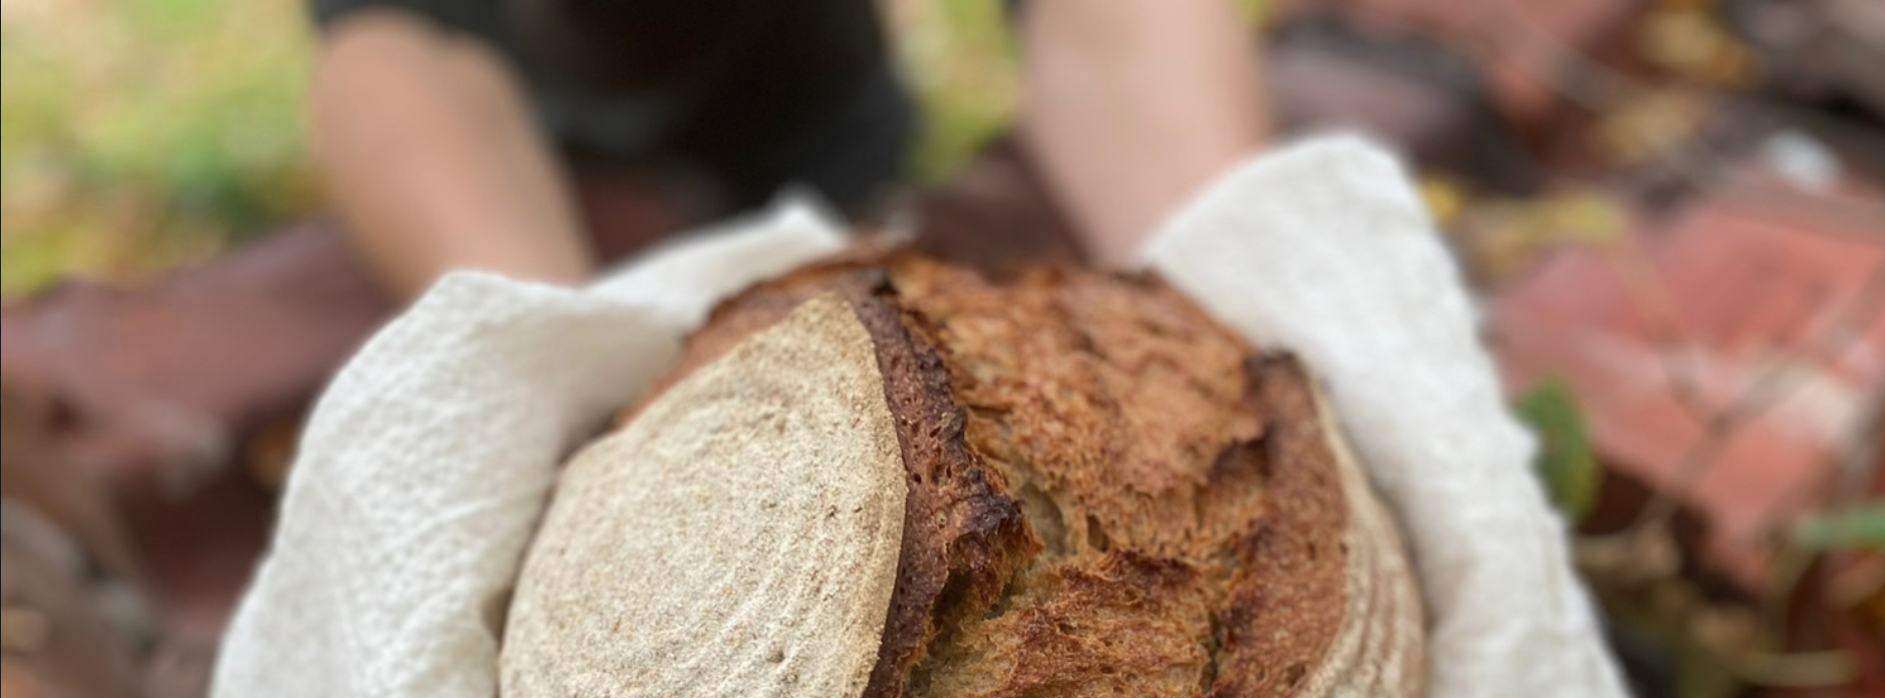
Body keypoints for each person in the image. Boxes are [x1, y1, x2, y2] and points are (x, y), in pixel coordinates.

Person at [307, 0, 1274, 301]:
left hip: (828, 133)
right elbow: (390, 46)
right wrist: (547, 351)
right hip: (559, 174)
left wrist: (1249, 271)